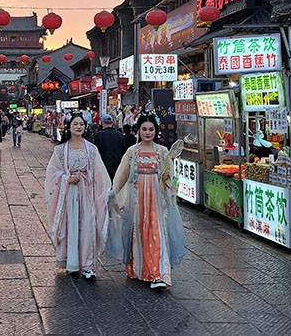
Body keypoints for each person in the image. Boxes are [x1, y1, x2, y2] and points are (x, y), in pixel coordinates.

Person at [109, 112, 187, 289]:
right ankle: (139, 269)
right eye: (144, 129)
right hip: (136, 201)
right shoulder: (132, 152)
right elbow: (122, 174)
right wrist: (114, 192)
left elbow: (169, 176)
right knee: (138, 233)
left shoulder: (162, 151)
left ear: (156, 131)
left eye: (151, 129)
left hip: (156, 201)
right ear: (138, 130)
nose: (147, 132)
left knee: (156, 232)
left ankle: (158, 273)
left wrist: (170, 191)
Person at [44, 114, 112, 279]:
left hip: (87, 193)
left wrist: (103, 193)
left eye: (81, 124)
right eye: (75, 124)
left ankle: (88, 265)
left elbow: (99, 172)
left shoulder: (91, 149)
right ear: (69, 127)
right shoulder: (60, 150)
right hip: (69, 193)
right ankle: (72, 262)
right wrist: (66, 178)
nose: (79, 127)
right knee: (71, 226)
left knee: (88, 225)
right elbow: (52, 172)